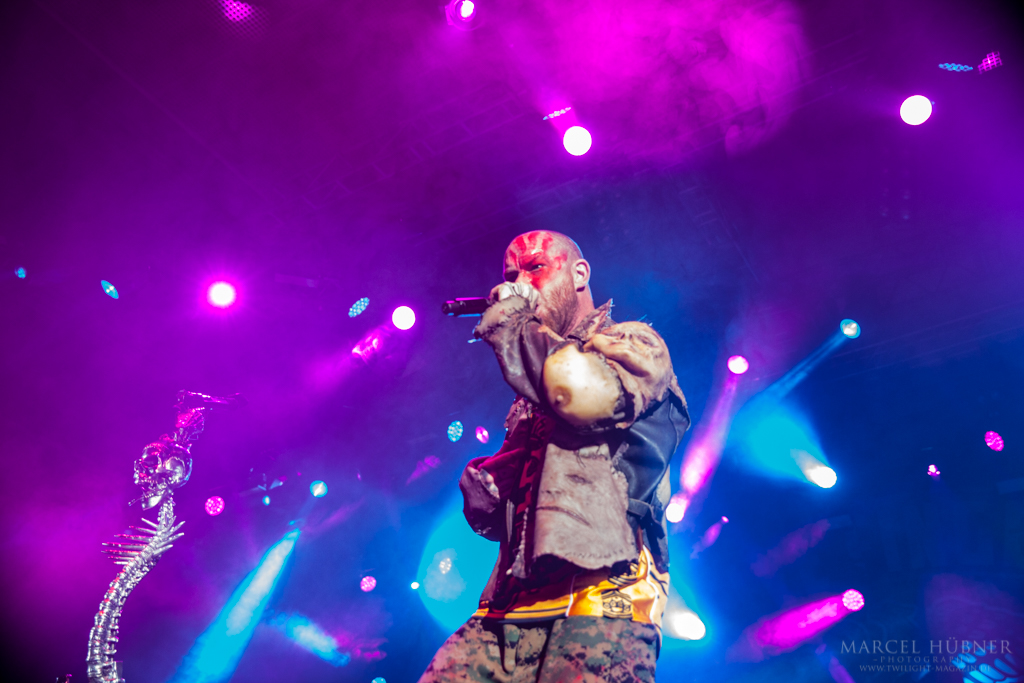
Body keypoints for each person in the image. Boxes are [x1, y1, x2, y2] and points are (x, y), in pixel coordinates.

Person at [418, 231, 690, 683]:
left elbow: (580, 395)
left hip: (602, 599)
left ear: (579, 274)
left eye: (536, 268)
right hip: (507, 607)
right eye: (511, 275)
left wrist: (512, 319)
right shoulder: (531, 389)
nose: (520, 283)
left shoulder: (634, 343)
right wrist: (491, 489)